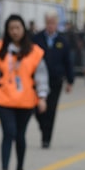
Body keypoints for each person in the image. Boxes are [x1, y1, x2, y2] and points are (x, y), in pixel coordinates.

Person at [0, 14, 48, 170]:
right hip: (4, 99)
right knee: (8, 133)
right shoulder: (0, 51)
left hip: (26, 100)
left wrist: (42, 96)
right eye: (11, 28)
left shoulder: (34, 52)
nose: (14, 31)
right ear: (7, 30)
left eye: (17, 28)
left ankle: (20, 168)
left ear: (23, 29)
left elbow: (41, 76)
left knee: (20, 135)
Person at [32, 11, 75, 149]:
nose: (50, 26)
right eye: (48, 23)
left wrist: (70, 81)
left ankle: (46, 138)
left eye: (53, 23)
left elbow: (68, 62)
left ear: (56, 24)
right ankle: (43, 127)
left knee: (51, 109)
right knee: (37, 108)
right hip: (38, 80)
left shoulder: (62, 41)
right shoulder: (37, 39)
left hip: (55, 80)